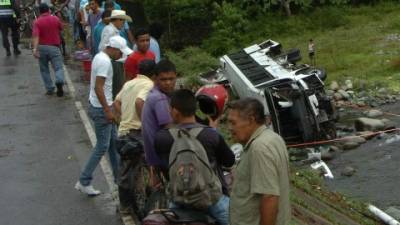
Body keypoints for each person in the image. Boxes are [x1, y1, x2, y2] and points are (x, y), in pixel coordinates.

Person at [154, 89, 235, 225]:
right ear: (195, 109)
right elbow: (229, 161)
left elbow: (165, 169)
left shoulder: (161, 137)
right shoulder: (211, 135)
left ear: (174, 111)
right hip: (211, 199)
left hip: (178, 199)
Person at [75, 36, 133, 196]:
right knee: (102, 146)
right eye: (120, 52)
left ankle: (118, 179)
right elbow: (99, 87)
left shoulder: (100, 57)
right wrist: (108, 110)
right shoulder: (105, 62)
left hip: (101, 106)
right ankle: (84, 180)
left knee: (114, 143)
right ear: (113, 49)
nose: (121, 55)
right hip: (101, 109)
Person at [227, 98, 291, 225]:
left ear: (251, 120)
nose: (229, 128)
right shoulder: (274, 138)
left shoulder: (259, 148)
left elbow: (269, 197)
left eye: (233, 123)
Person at [113, 59, 155, 213]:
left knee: (125, 169)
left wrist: (125, 117)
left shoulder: (129, 84)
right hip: (137, 132)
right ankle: (152, 198)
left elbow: (116, 102)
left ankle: (125, 206)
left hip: (123, 132)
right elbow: (139, 103)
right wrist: (146, 122)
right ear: (153, 74)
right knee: (151, 163)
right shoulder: (149, 85)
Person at [141, 59, 176, 167]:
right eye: (163, 80)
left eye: (171, 79)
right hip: (161, 157)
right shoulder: (159, 99)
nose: (168, 83)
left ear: (176, 77)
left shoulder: (153, 93)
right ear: (155, 79)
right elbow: (170, 130)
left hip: (153, 154)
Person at [32, 3, 65, 97]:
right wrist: (59, 17)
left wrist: (35, 49)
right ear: (48, 10)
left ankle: (49, 88)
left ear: (39, 11)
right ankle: (59, 80)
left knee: (44, 69)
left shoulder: (37, 22)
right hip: (54, 47)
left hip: (42, 48)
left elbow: (36, 36)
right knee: (58, 67)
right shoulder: (55, 19)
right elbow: (61, 28)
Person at [98, 9, 132, 98]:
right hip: (113, 63)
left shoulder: (113, 30)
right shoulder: (110, 31)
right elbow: (102, 47)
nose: (123, 23)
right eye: (122, 20)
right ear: (117, 20)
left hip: (115, 61)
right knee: (117, 89)